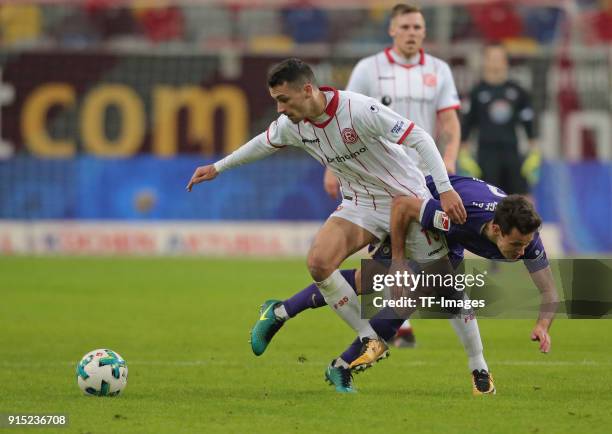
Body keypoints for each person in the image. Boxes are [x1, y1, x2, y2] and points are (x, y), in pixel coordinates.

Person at [186, 58, 466, 375]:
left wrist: (444, 190)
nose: (279, 108)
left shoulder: (359, 110)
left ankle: (479, 369)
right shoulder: (293, 125)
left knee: (435, 285)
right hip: (360, 203)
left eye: (283, 99)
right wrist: (217, 168)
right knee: (319, 263)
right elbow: (263, 143)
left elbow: (421, 138)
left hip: (407, 199)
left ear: (307, 90)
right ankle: (366, 339)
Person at [251, 175, 559, 394]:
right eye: (515, 244)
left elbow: (549, 291)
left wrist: (543, 325)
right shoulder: (458, 214)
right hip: (417, 211)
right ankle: (331, 355)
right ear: (495, 228)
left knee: (429, 288)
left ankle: (285, 316)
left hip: (450, 238)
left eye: (525, 245)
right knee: (387, 284)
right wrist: (399, 263)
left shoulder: (528, 239)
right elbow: (402, 206)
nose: (521, 252)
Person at [325, 3, 463, 347]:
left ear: (425, 32)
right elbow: (342, 116)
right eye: (405, 27)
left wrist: (449, 156)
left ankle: (395, 324)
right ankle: (396, 327)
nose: (411, 33)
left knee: (427, 256)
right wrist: (332, 166)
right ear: (391, 30)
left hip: (425, 177)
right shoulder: (368, 69)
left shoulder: (439, 69)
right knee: (388, 253)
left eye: (417, 27)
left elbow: (449, 120)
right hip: (379, 175)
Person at [460, 43, 539, 196]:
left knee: (522, 201)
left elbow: (530, 127)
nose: (496, 62)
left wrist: (535, 155)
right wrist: (464, 156)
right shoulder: (475, 93)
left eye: (499, 58)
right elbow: (466, 128)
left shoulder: (518, 91)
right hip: (486, 155)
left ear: (506, 62)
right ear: (485, 61)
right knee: (488, 201)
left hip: (512, 154)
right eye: (492, 58)